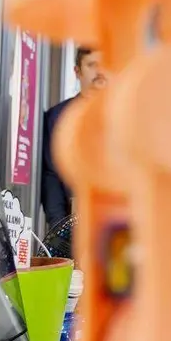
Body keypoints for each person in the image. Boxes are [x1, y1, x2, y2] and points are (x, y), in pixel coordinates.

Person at [42, 46, 109, 226]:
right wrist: (60, 232)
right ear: (77, 71)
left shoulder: (127, 116)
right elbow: (51, 177)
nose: (100, 71)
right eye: (92, 65)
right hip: (74, 225)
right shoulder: (57, 118)